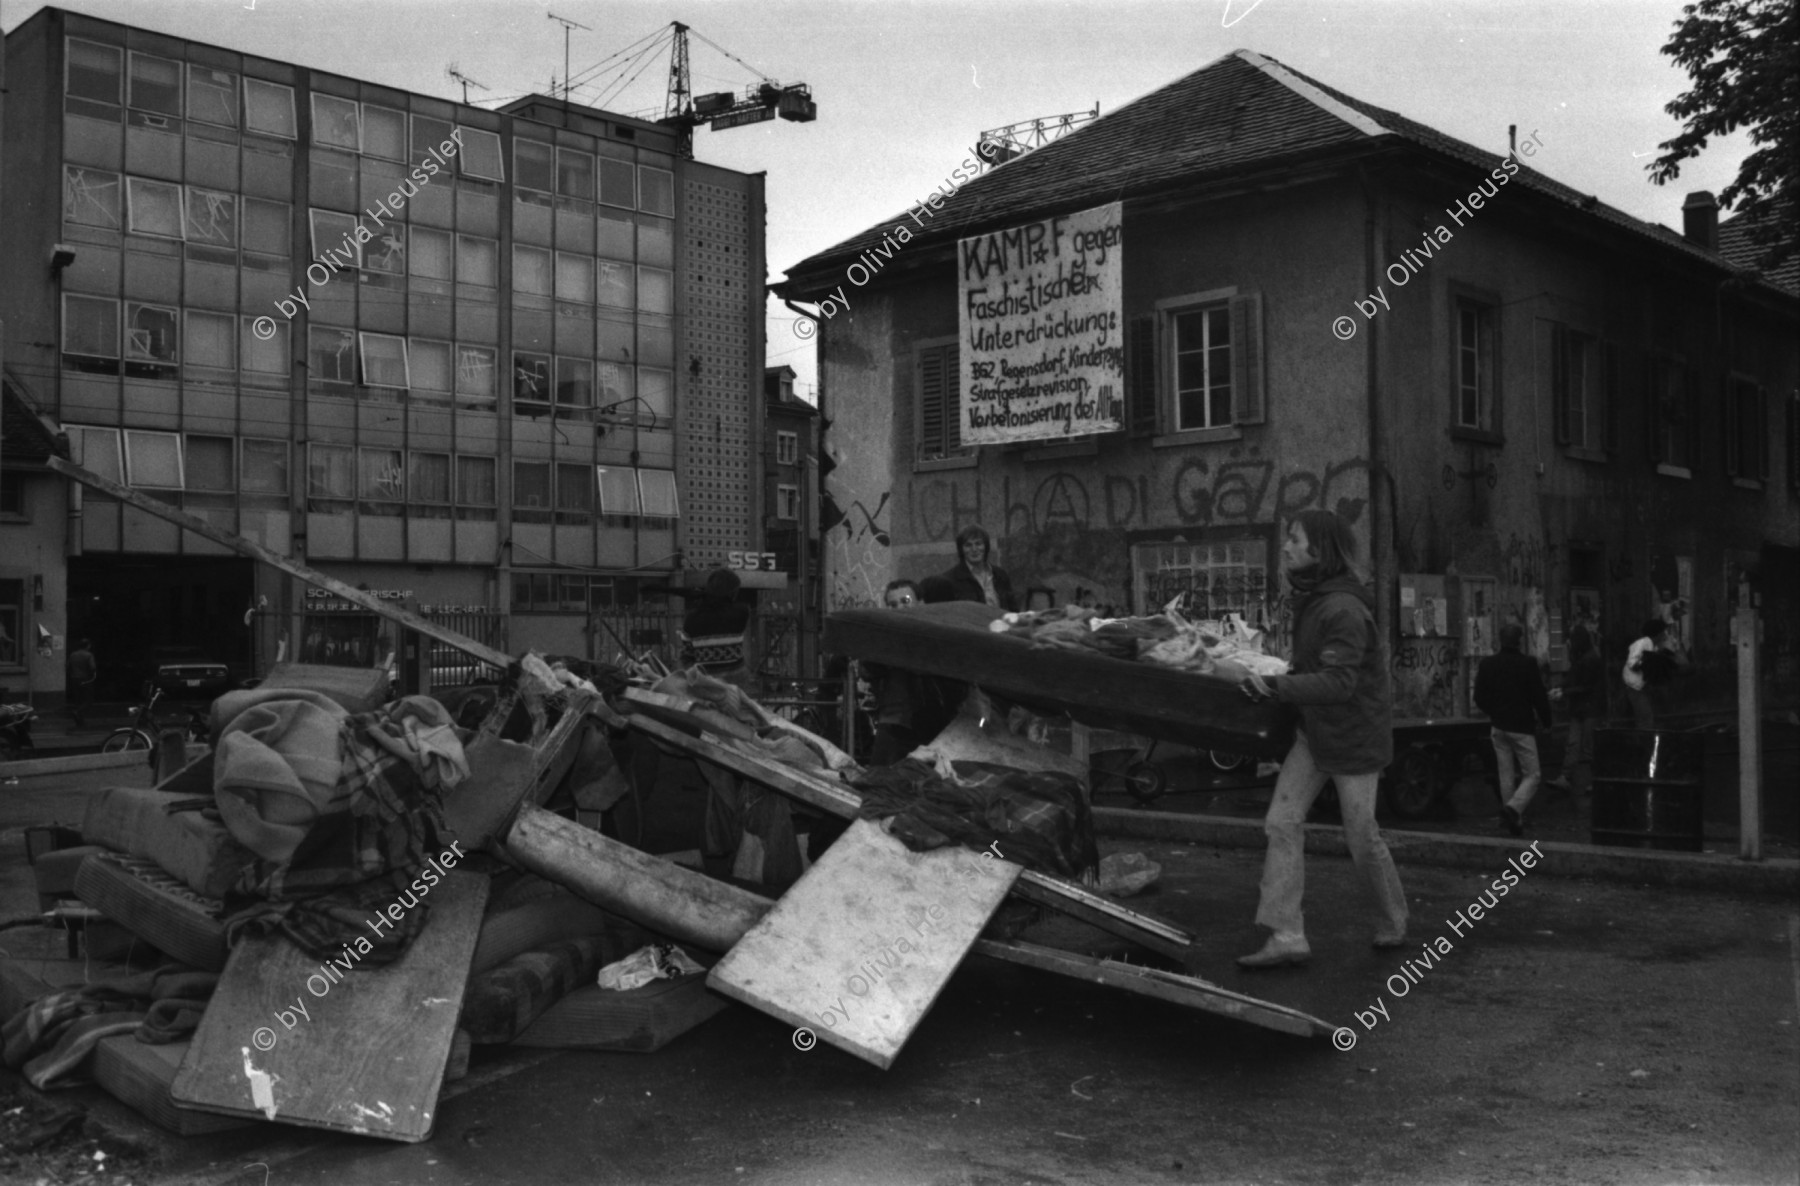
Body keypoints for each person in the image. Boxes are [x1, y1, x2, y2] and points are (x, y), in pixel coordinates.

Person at [1234, 510, 1408, 968]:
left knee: (1361, 837)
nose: (1286, 546)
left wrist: (1275, 685)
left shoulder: (1342, 609)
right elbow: (1314, 671)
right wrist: (1283, 675)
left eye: (1295, 539)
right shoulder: (1315, 600)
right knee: (1281, 821)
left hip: (1354, 741)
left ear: (1319, 551)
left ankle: (1393, 920)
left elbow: (1338, 684)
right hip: (1315, 735)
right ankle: (1287, 934)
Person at [1474, 623, 1553, 837]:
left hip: (1498, 726)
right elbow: (1539, 696)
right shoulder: (1527, 664)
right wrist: (1547, 721)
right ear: (1519, 641)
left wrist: (1494, 712)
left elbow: (1479, 697)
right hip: (1521, 726)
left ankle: (1511, 820)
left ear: (1501, 640)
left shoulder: (1488, 664)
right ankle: (1513, 809)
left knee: (1506, 774)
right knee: (1533, 774)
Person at [1549, 623, 1603, 807]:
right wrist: (1564, 689)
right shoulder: (1590, 657)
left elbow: (1582, 684)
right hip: (1588, 708)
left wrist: (1563, 690)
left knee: (1578, 745)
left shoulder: (1585, 659)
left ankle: (1567, 777)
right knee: (1585, 746)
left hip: (1585, 708)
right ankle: (1586, 780)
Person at [682, 568, 753, 688]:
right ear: (732, 592)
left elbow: (687, 656)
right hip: (737, 684)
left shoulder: (691, 618)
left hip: (705, 685)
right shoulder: (742, 612)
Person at [942, 525, 1018, 611]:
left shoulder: (1000, 575)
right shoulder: (949, 580)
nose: (974, 549)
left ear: (986, 547)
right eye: (968, 545)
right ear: (961, 550)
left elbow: (1013, 610)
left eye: (978, 544)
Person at [1621, 619, 1676, 730]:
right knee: (1645, 719)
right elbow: (1632, 663)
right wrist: (1646, 662)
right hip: (1634, 687)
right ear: (1658, 633)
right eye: (1664, 632)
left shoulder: (1654, 646)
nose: (1665, 635)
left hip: (1642, 686)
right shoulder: (1642, 644)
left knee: (1646, 717)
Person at [67, 639, 96, 728]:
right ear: (87, 646)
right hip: (85, 679)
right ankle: (77, 712)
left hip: (74, 679)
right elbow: (92, 667)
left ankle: (80, 721)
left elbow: (68, 666)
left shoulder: (73, 654)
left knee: (78, 700)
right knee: (88, 700)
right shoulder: (88, 655)